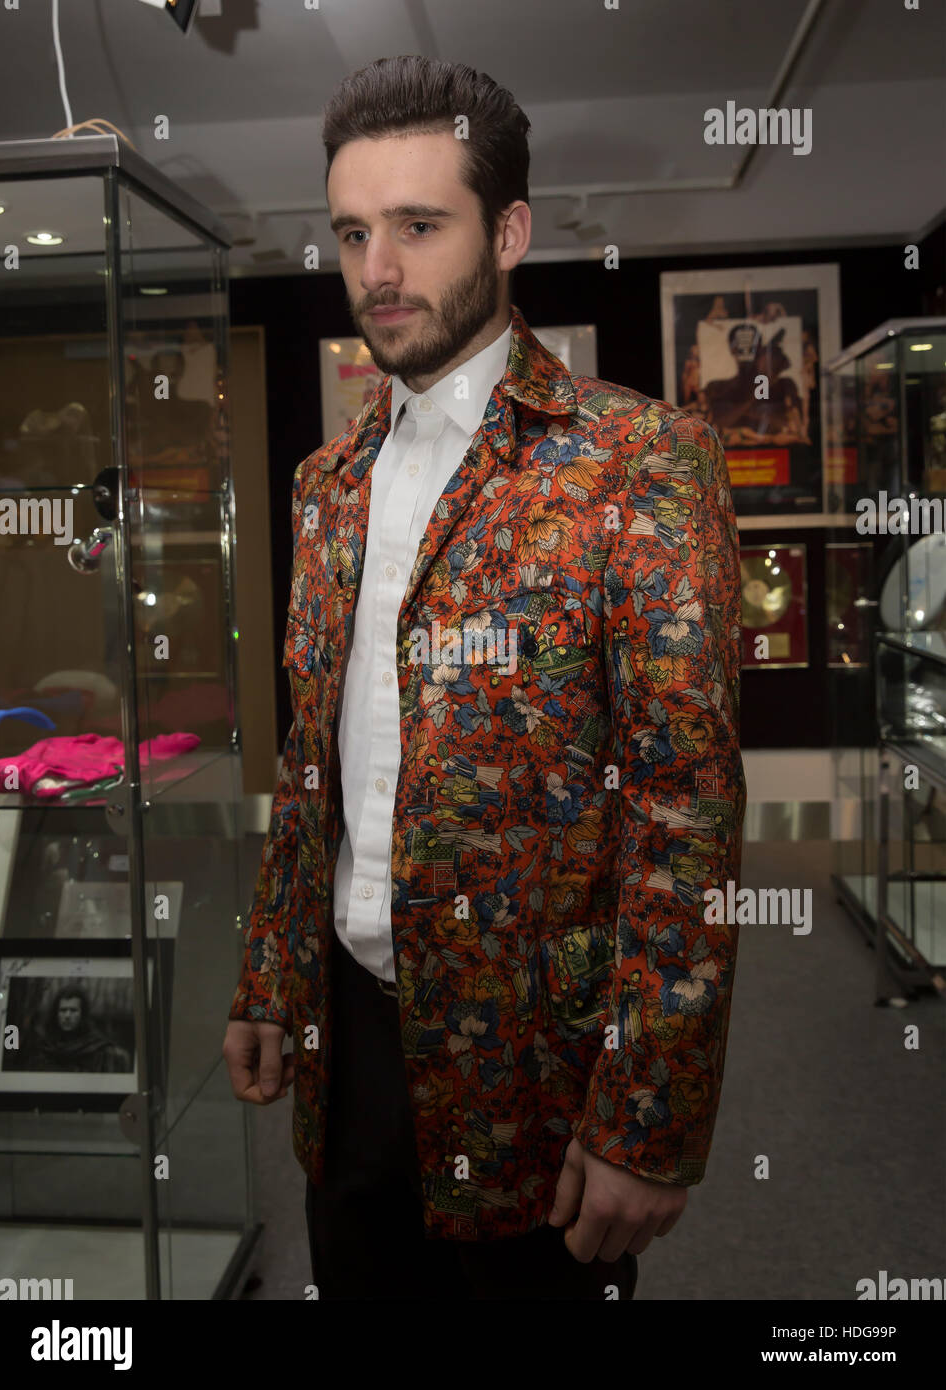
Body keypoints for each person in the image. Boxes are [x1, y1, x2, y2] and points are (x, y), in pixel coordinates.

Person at [224, 54, 746, 1302]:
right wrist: (267, 974)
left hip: (536, 1067)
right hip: (348, 1037)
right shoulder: (325, 485)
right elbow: (311, 768)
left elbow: (685, 815)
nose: (377, 272)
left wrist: (648, 1116)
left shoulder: (639, 465)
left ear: (506, 231)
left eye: (416, 225)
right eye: (352, 233)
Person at [24, 986, 131, 1074]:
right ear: (56, 1014)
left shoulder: (99, 1050)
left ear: (82, 1014)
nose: (67, 1015)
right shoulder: (45, 1048)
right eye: (63, 1010)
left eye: (73, 1010)